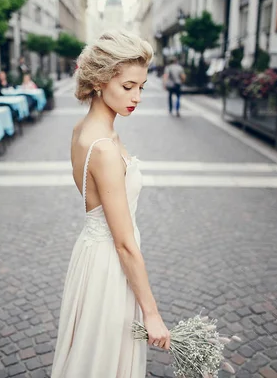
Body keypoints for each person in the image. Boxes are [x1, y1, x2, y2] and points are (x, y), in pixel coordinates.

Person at [51, 30, 171, 378]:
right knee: (103, 362)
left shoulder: (83, 129)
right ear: (100, 82)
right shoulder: (102, 148)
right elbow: (123, 243)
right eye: (128, 86)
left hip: (93, 254)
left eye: (141, 87)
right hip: (109, 263)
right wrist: (151, 313)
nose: (137, 96)